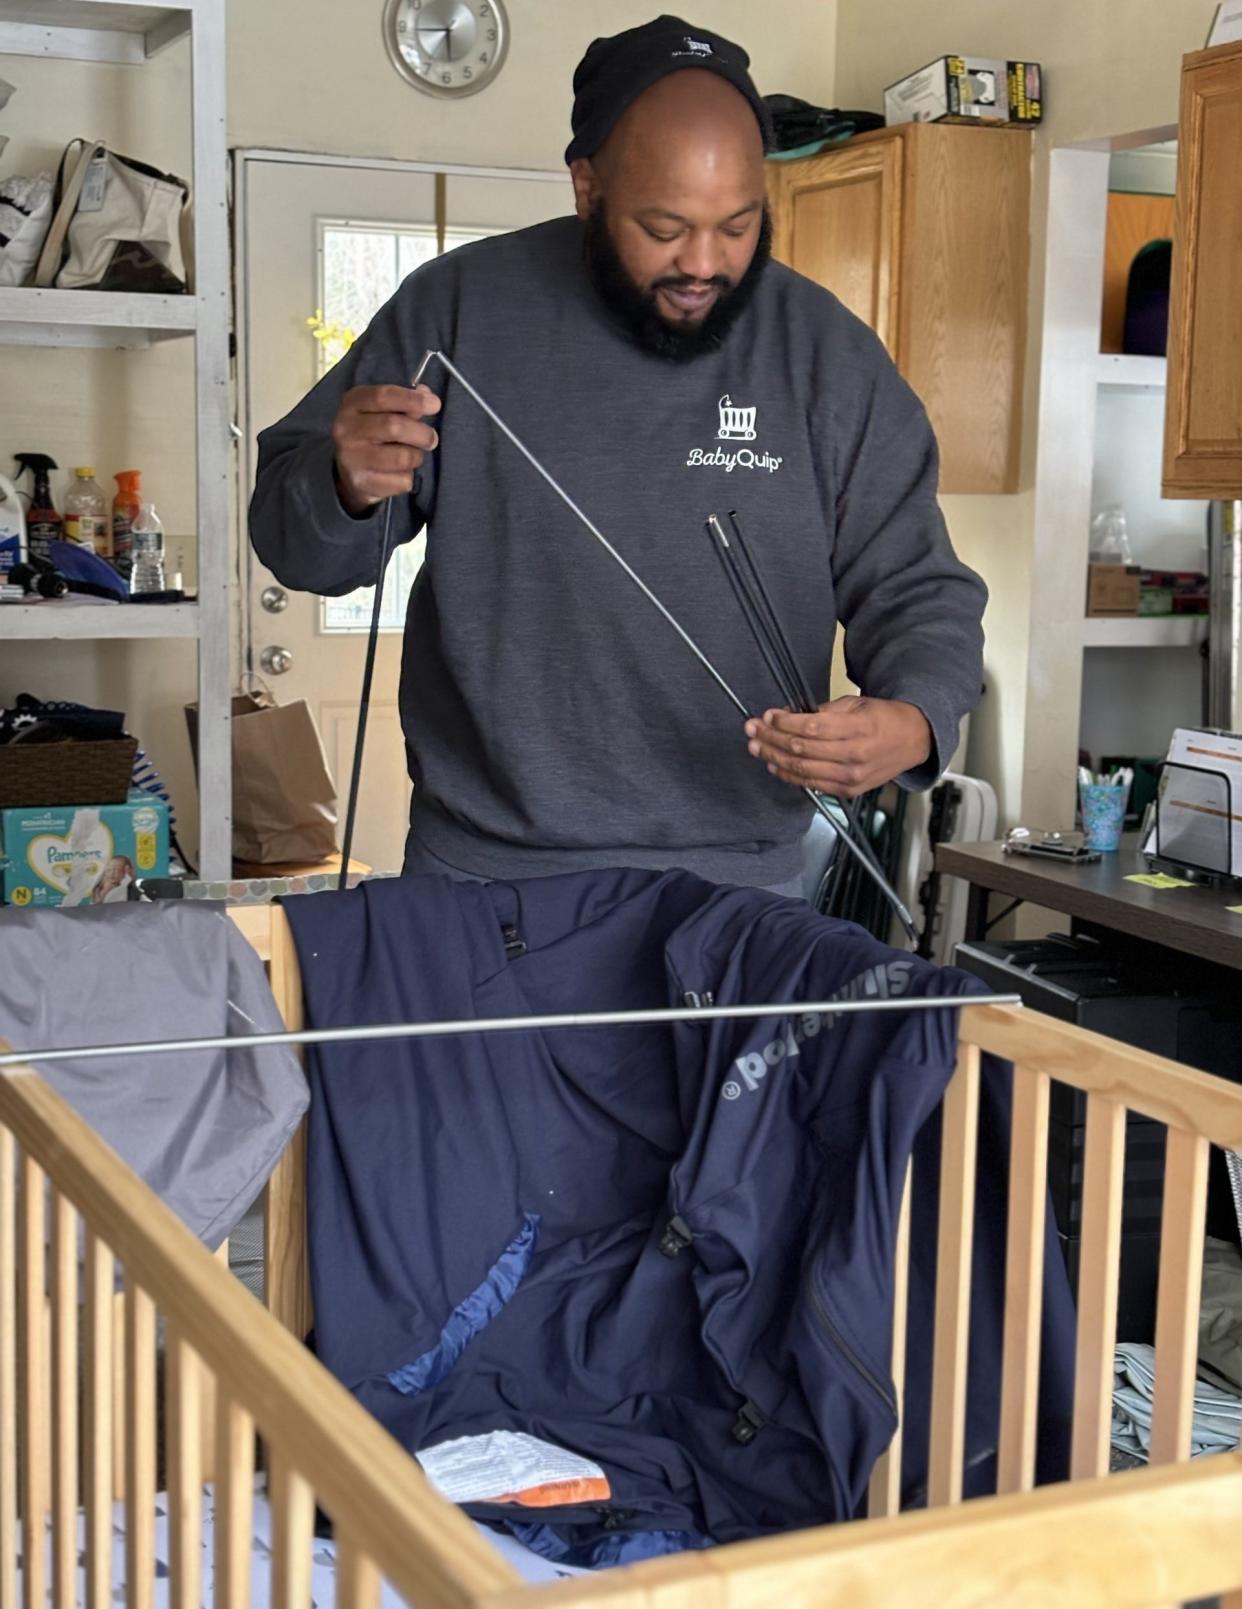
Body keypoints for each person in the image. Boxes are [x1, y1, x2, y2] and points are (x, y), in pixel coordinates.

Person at [250, 14, 986, 896]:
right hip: (486, 878)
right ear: (587, 186)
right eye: (665, 227)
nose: (703, 263)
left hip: (741, 891)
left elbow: (918, 587)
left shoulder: (827, 355)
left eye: (738, 226)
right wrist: (344, 485)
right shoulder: (457, 311)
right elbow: (297, 547)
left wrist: (909, 719)